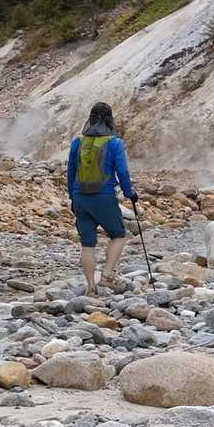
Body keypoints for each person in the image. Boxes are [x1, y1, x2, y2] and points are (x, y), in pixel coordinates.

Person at [67, 101, 137, 295]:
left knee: (87, 243)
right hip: (103, 196)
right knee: (118, 235)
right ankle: (107, 275)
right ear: (110, 120)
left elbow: (71, 171)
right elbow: (122, 172)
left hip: (80, 197)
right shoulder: (114, 143)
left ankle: (91, 286)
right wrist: (129, 193)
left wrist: (72, 196)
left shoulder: (77, 142)